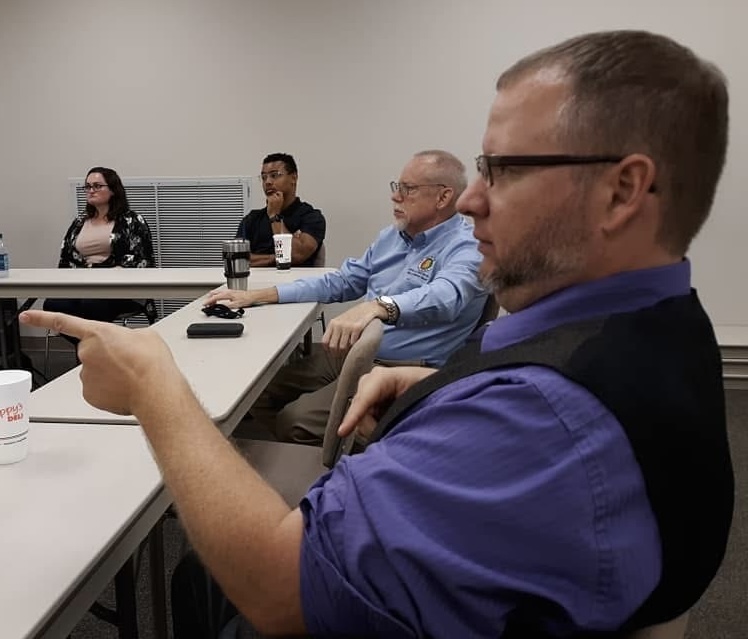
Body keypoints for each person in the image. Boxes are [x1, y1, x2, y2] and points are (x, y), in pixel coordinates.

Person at [21, 29, 735, 638]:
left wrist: (154, 384)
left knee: (200, 571)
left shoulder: (544, 418)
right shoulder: (657, 326)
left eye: (506, 169)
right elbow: (348, 283)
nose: (475, 200)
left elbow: (277, 585)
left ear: (622, 190)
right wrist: (430, 379)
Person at [206, 149, 487, 445]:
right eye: (397, 187)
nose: (396, 197)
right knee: (252, 391)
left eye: (408, 189)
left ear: (443, 197)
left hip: (400, 367)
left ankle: (347, 458)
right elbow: (341, 281)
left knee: (295, 421)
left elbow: (447, 296)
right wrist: (261, 295)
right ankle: (324, 452)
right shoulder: (391, 237)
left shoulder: (467, 248)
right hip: (353, 352)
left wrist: (379, 307)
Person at [43, 166, 157, 326]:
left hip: (119, 289)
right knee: (53, 305)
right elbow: (66, 260)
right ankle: (87, 346)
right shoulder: (79, 223)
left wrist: (101, 273)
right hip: (83, 287)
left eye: (97, 186)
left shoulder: (132, 221)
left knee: (91, 303)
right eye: (88, 186)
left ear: (113, 190)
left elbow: (141, 260)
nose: (91, 190)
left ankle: (92, 347)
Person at [235, 153, 326, 267]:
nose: (267, 182)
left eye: (274, 175)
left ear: (293, 178)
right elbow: (237, 259)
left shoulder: (311, 217)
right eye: (263, 177)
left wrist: (274, 216)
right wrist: (276, 257)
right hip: (257, 282)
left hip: (296, 282)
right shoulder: (252, 219)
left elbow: (297, 255)